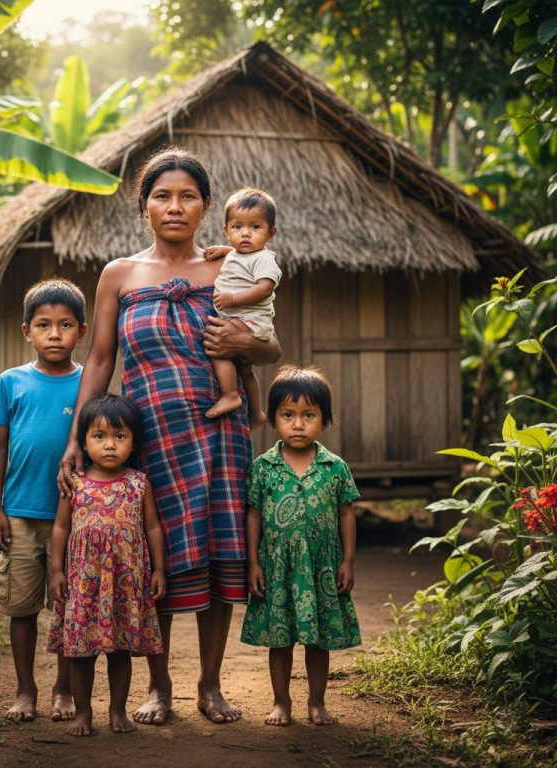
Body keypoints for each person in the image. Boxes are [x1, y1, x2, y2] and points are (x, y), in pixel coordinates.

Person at [58, 147, 280, 726]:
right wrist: (76, 440)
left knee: (216, 558)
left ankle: (209, 685)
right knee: (150, 561)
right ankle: (158, 687)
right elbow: (101, 359)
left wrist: (243, 340)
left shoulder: (230, 267)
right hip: (148, 438)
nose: (175, 206)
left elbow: (270, 347)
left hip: (221, 434)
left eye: (187, 196)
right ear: (145, 206)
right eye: (162, 195)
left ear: (206, 207)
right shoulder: (120, 274)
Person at [0, 278, 88, 722]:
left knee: (67, 607)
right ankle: (26, 689)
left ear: (82, 332)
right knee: (22, 607)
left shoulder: (89, 386)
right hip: (21, 513)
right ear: (27, 331)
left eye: (65, 325)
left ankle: (63, 690)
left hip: (77, 518)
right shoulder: (11, 383)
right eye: (43, 325)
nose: (54, 334)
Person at [240, 365, 361, 727]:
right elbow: (254, 516)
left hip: (321, 567)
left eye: (308, 415)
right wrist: (252, 563)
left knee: (317, 638)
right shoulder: (262, 468)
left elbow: (346, 514)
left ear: (324, 420)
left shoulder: (334, 467)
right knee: (280, 639)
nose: (297, 424)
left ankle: (317, 702)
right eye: (287, 415)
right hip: (277, 567)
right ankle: (281, 702)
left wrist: (348, 561)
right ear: (274, 418)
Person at [47, 394, 166, 736]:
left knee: (121, 652)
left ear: (133, 442)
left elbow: (153, 527)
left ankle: (117, 710)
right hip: (84, 585)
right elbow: (60, 528)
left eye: (120, 436)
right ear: (83, 441)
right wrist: (56, 570)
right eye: (99, 436)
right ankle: (83, 713)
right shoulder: (75, 485)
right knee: (81, 655)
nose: (110, 445)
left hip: (125, 585)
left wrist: (158, 569)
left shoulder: (138, 483)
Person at [203, 187, 281, 429]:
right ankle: (257, 412)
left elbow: (264, 289)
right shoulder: (237, 254)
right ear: (226, 231)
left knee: (219, 349)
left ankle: (230, 395)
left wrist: (233, 299)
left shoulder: (265, 259)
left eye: (255, 227)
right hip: (241, 317)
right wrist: (224, 250)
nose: (245, 234)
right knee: (245, 370)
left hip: (249, 320)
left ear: (271, 233)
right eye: (238, 227)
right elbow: (239, 256)